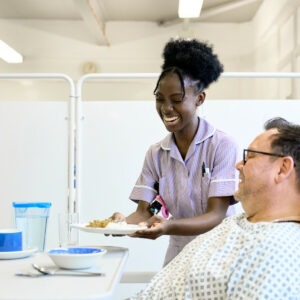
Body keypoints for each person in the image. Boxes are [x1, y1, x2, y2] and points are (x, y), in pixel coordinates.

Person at [130, 117, 300, 299]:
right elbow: (148, 208)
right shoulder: (240, 223)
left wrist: (166, 226)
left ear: (282, 168)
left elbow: (215, 213)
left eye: (249, 157)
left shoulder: (276, 254)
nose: (238, 165)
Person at [113, 38, 239, 266]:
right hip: (178, 255)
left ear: (199, 99)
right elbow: (144, 212)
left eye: (176, 99)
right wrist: (119, 225)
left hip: (219, 253)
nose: (166, 108)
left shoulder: (222, 145)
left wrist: (167, 227)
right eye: (159, 99)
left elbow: (216, 215)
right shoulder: (156, 153)